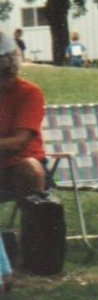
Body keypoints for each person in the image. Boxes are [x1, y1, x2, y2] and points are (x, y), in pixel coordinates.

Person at [0, 31, 46, 198]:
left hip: (17, 165)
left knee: (29, 169)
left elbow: (18, 142)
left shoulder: (29, 93)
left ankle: (36, 222)